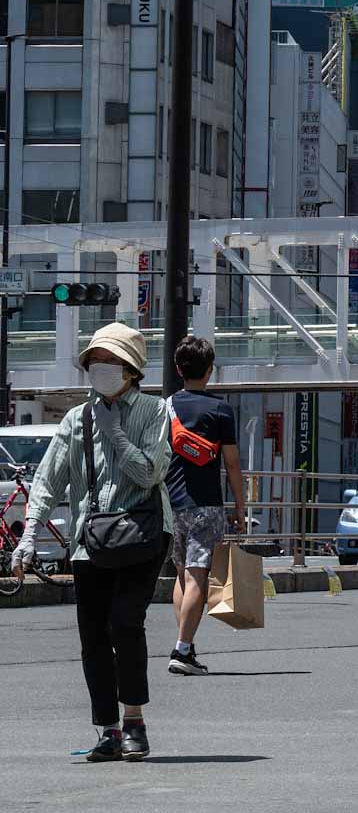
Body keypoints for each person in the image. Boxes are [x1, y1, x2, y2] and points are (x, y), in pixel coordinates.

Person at [10, 323, 171, 762]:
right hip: (91, 539)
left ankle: (134, 717)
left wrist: (115, 432)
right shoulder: (75, 419)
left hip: (145, 532)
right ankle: (109, 729)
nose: (101, 370)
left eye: (111, 362)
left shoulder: (155, 412)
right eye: (95, 362)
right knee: (93, 635)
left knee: (125, 621)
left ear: (132, 370)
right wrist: (28, 538)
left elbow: (148, 474)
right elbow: (47, 480)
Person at [163, 336, 246, 677]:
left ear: (179, 369)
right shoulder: (219, 410)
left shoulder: (165, 407)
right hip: (206, 504)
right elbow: (232, 463)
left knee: (182, 575)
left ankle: (187, 645)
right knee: (198, 574)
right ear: (210, 371)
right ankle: (182, 649)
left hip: (172, 504)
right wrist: (241, 505)